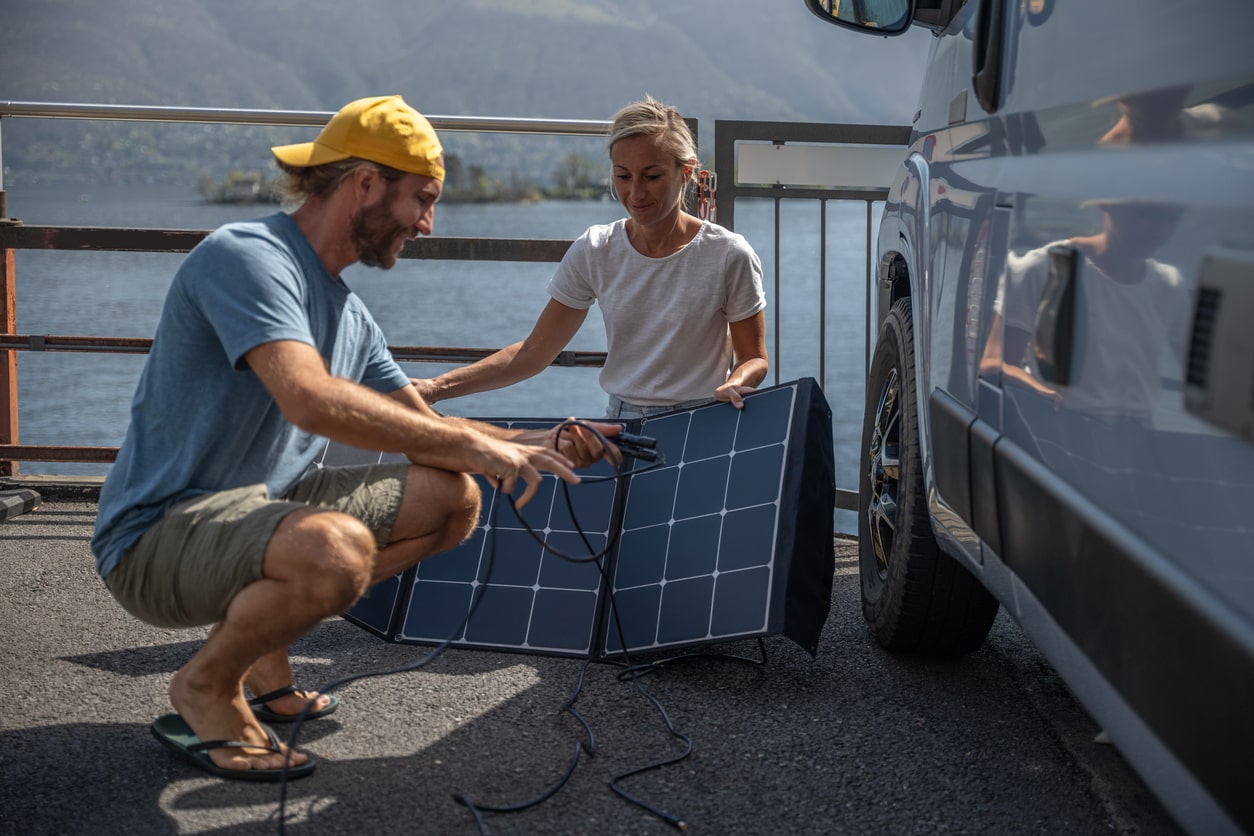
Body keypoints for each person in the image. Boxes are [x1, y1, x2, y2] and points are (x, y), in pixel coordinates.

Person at [89, 95, 619, 781]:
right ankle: (206, 683)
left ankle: (263, 647)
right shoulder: (247, 258)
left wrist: (542, 439)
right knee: (335, 555)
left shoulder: (351, 315)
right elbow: (309, 399)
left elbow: (429, 435)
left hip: (261, 512)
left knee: (453, 499)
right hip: (156, 535)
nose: (427, 224)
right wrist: (485, 449)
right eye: (421, 200)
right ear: (365, 184)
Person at [412, 95, 769, 421]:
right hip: (622, 419)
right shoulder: (597, 248)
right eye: (623, 176)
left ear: (686, 172)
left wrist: (735, 382)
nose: (636, 192)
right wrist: (433, 388)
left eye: (653, 176)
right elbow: (535, 352)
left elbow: (754, 358)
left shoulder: (728, 254)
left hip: (704, 420)